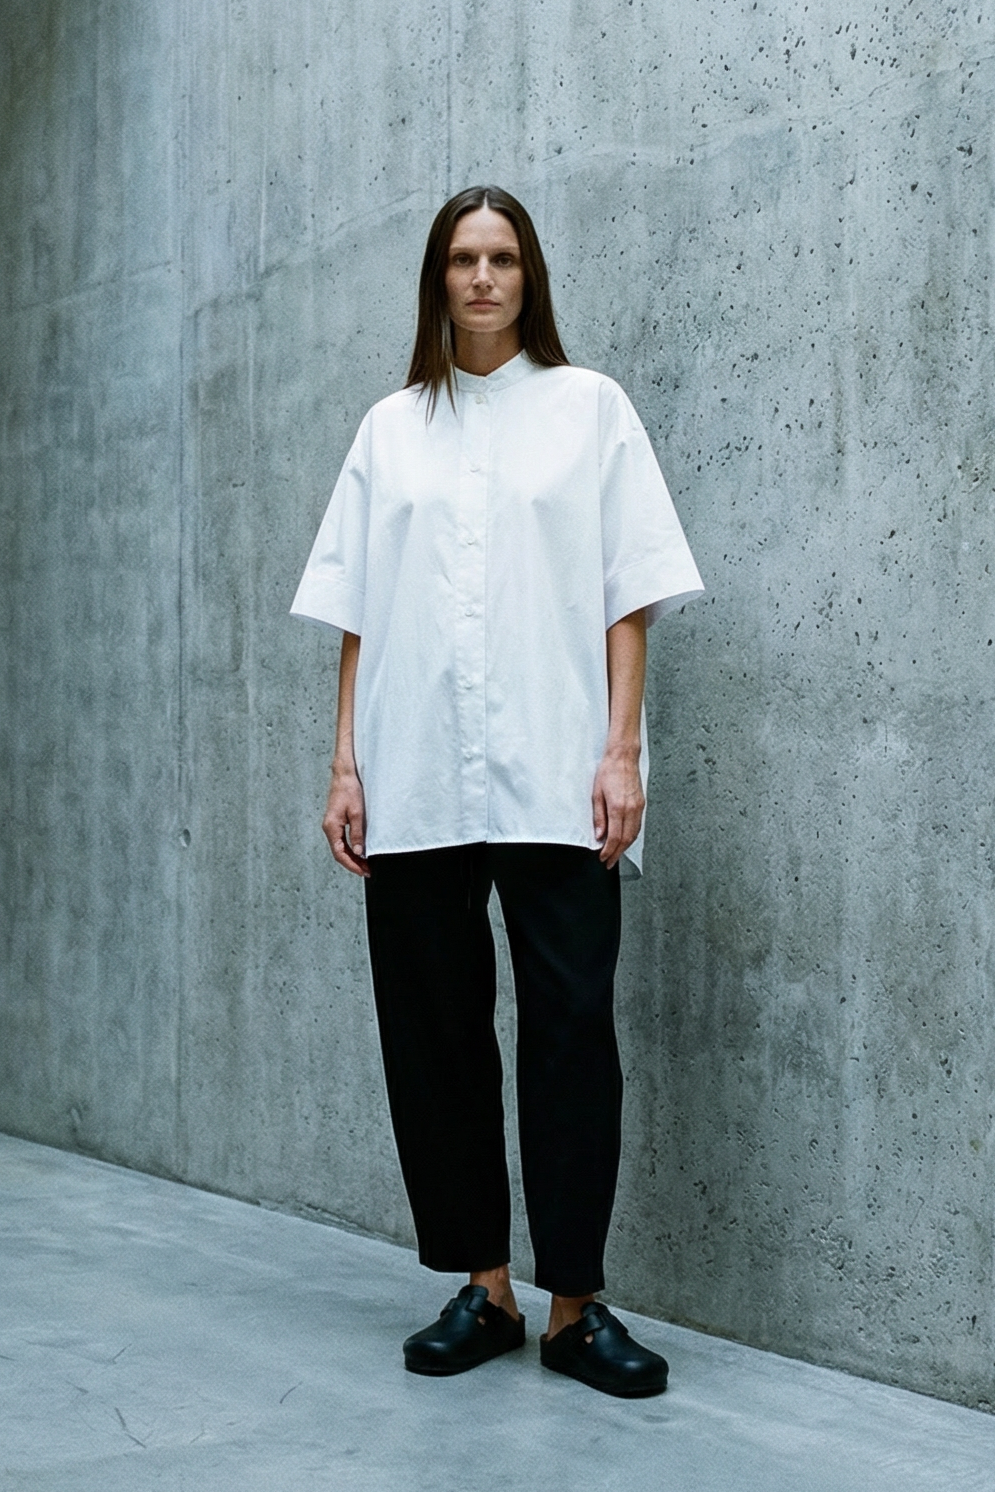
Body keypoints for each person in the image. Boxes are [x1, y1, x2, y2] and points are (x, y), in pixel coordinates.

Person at [291, 186, 704, 1398]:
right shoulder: (389, 429)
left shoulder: (589, 411)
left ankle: (577, 1303)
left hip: (555, 768)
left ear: (529, 277)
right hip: (414, 766)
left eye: (502, 258)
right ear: (438, 279)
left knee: (571, 1031)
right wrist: (345, 759)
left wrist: (621, 748)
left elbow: (630, 591)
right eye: (464, 259)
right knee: (435, 1035)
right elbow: (357, 611)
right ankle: (481, 1286)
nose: (482, 278)